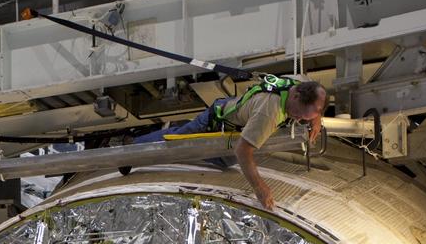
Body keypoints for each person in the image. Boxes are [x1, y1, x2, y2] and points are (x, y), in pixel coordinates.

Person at [133, 75, 328, 210]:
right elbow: (243, 151)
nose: (299, 119)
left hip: (233, 120)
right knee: (175, 145)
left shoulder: (297, 86)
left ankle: (182, 129)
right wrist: (260, 188)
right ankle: (134, 147)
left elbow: (314, 99)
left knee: (220, 163)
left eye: (305, 118)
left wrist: (316, 119)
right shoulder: (269, 113)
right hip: (213, 123)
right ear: (296, 96)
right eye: (298, 113)